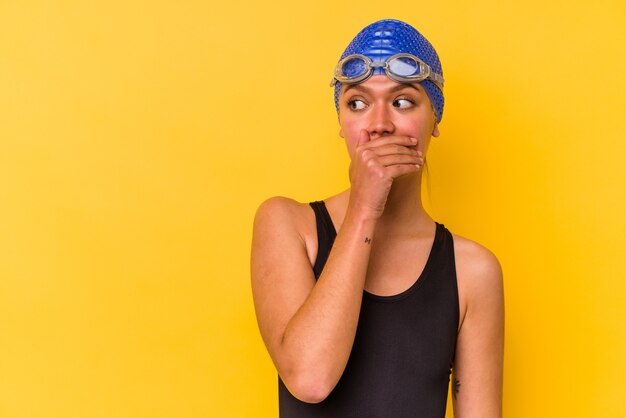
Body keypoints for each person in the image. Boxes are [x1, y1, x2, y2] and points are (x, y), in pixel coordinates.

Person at [251, 19, 504, 418]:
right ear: (342, 124)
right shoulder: (287, 225)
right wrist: (365, 208)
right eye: (358, 102)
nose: (380, 124)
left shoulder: (472, 271)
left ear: (434, 120)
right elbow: (310, 379)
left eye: (403, 102)